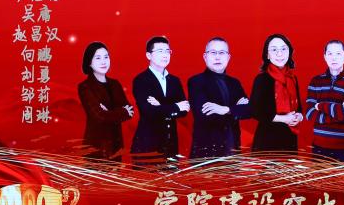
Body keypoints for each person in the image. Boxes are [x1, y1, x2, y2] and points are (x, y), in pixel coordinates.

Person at [188, 37, 251, 158]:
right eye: (213, 53)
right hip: (206, 153)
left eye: (222, 53)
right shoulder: (196, 81)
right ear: (205, 56)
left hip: (233, 149)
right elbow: (205, 115)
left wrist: (225, 110)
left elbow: (249, 111)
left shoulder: (235, 83)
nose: (217, 57)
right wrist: (236, 110)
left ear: (228, 57)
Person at [130, 36, 189, 165]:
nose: (165, 55)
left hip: (170, 145)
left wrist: (161, 106)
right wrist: (175, 107)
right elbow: (149, 111)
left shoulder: (174, 81)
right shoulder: (141, 80)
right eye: (160, 51)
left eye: (167, 51)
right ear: (148, 55)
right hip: (147, 146)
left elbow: (184, 110)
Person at [305, 40, 344, 162]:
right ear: (325, 56)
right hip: (318, 149)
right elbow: (309, 113)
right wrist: (339, 113)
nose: (334, 58)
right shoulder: (315, 82)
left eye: (338, 53)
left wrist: (321, 105)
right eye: (330, 54)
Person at [77, 41, 134, 159]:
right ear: (89, 62)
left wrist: (109, 112)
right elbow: (99, 116)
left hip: (116, 146)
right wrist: (121, 111)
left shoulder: (115, 84)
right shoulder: (85, 87)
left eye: (106, 57)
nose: (103, 61)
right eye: (98, 58)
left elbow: (130, 111)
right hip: (96, 148)